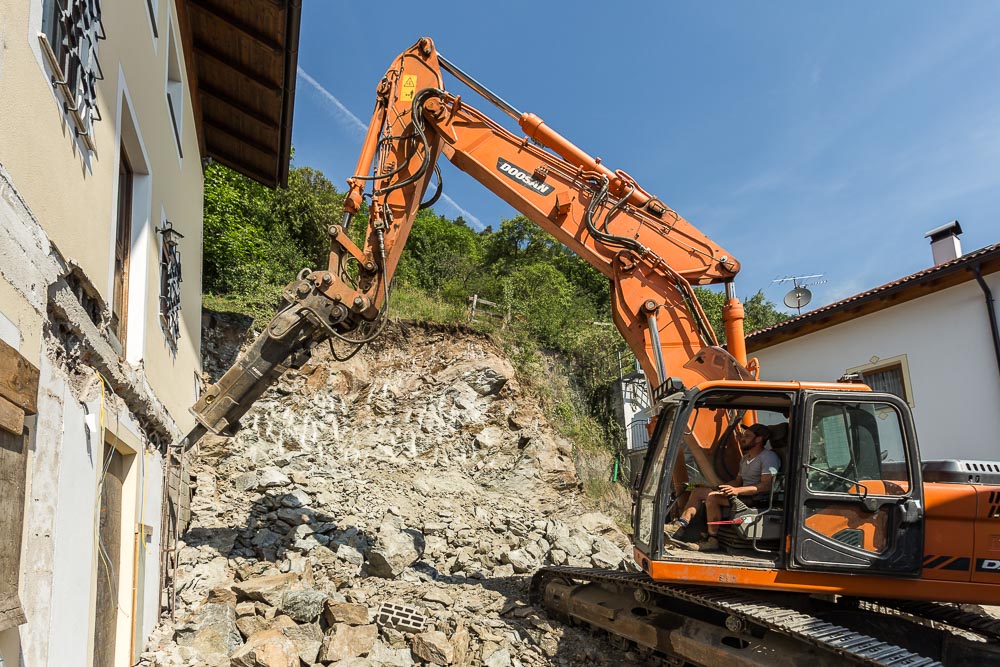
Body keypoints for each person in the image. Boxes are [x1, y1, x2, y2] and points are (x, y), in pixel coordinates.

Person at [665, 423, 780, 552]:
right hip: (741, 494)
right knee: (698, 492)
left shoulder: (768, 457)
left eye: (747, 436)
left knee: (713, 498)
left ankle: (712, 540)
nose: (742, 438)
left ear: (759, 439)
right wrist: (720, 487)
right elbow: (738, 481)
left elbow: (765, 486)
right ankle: (680, 525)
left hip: (756, 498)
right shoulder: (745, 459)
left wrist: (736, 491)